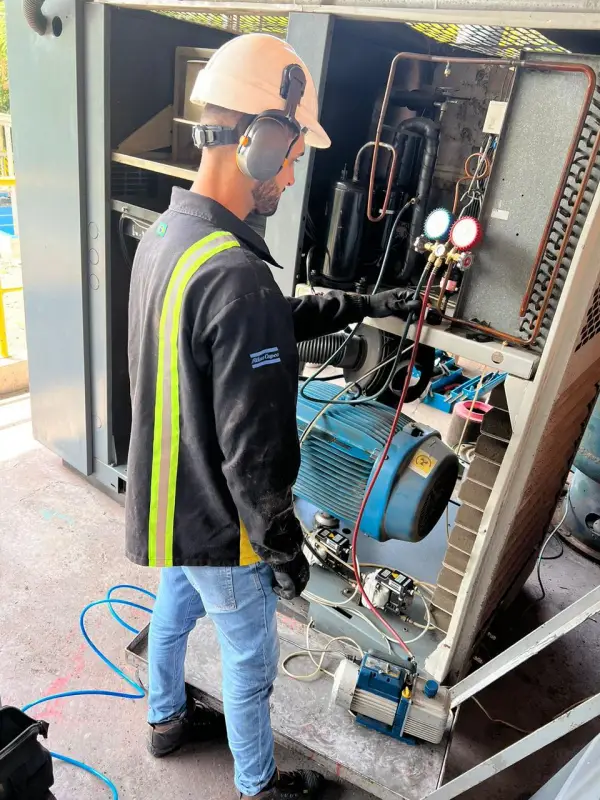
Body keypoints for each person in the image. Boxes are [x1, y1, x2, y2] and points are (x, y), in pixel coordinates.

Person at [126, 32, 420, 800]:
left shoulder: (168, 237)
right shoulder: (236, 275)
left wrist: (359, 304)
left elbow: (256, 323)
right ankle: (258, 787)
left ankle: (164, 719)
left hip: (173, 500)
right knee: (250, 659)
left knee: (173, 612)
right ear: (257, 141)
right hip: (223, 523)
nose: (290, 177)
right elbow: (255, 454)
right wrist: (281, 547)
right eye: (290, 158)